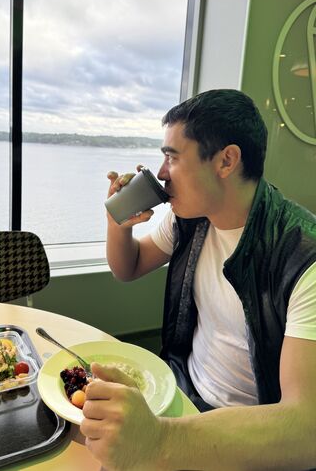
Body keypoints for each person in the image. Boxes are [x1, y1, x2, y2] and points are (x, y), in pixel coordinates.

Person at [80, 89, 316, 471]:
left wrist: (159, 440)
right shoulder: (189, 219)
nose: (160, 174)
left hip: (247, 436)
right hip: (182, 390)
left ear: (226, 161)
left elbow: (305, 429)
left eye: (172, 157)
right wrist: (117, 224)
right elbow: (128, 267)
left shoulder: (302, 256)